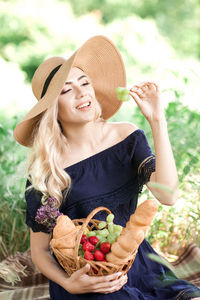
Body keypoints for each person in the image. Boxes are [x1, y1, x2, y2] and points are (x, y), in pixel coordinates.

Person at [13, 35, 200, 300]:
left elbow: (167, 195)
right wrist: (69, 284)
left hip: (136, 261)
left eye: (85, 83)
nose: (81, 93)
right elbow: (40, 251)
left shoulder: (127, 138)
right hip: (85, 278)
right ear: (52, 109)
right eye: (66, 90)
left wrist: (158, 121)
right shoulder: (45, 172)